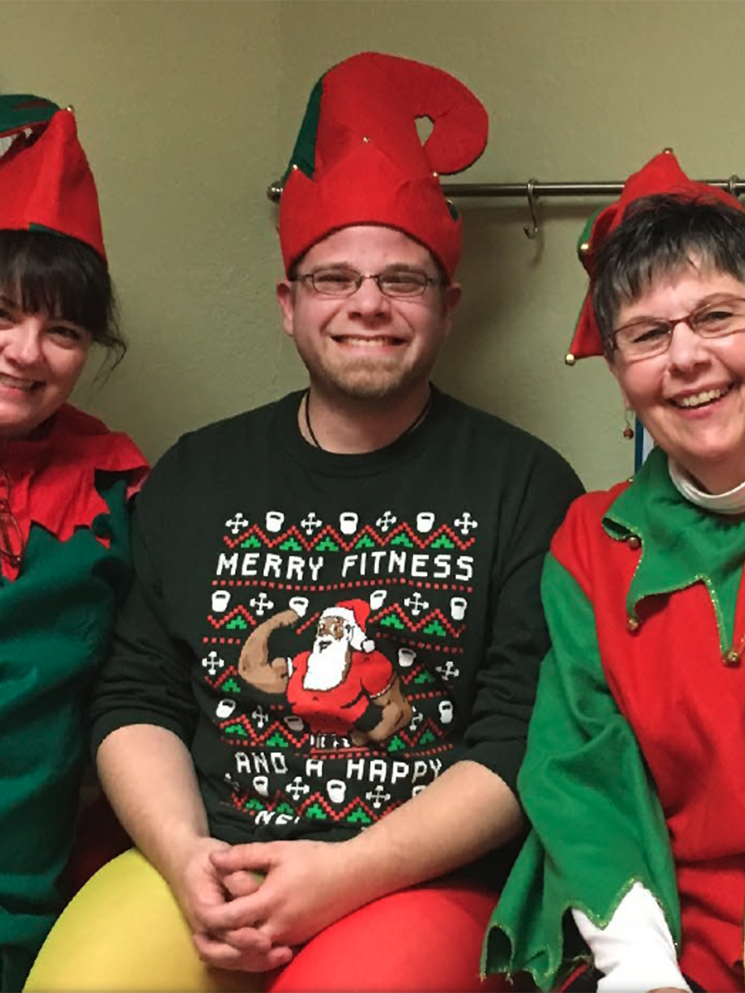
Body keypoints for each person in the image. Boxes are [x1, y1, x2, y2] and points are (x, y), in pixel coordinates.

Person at [25, 53, 581, 993]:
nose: (367, 305)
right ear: (290, 306)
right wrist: (186, 857)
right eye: (334, 279)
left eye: (401, 281)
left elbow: (518, 737)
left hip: (420, 879)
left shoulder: (523, 482)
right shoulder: (200, 471)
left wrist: (344, 873)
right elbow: (136, 698)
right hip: (210, 858)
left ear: (445, 307)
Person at [483, 149, 745, 993]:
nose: (685, 358)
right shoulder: (590, 542)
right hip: (670, 938)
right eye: (646, 334)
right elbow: (577, 768)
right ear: (617, 375)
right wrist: (643, 970)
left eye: (715, 316)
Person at [0, 95, 147, 993]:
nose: (27, 353)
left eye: (63, 330)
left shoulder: (122, 490)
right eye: (2, 315)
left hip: (36, 899)